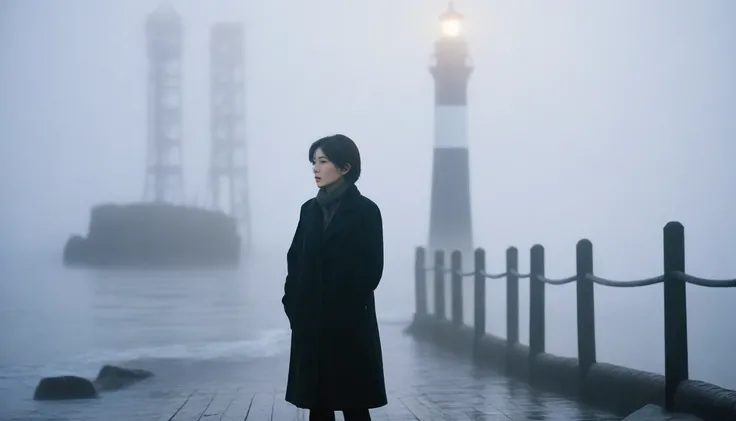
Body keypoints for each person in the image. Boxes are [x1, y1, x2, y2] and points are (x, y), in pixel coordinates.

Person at [282, 134, 388, 421]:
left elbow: (371, 269)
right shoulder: (309, 210)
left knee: (354, 406)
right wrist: (293, 305)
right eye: (313, 162)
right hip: (311, 325)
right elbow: (295, 261)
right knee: (319, 407)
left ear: (345, 168)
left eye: (323, 161)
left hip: (348, 325)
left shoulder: (366, 211)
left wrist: (341, 309)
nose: (316, 168)